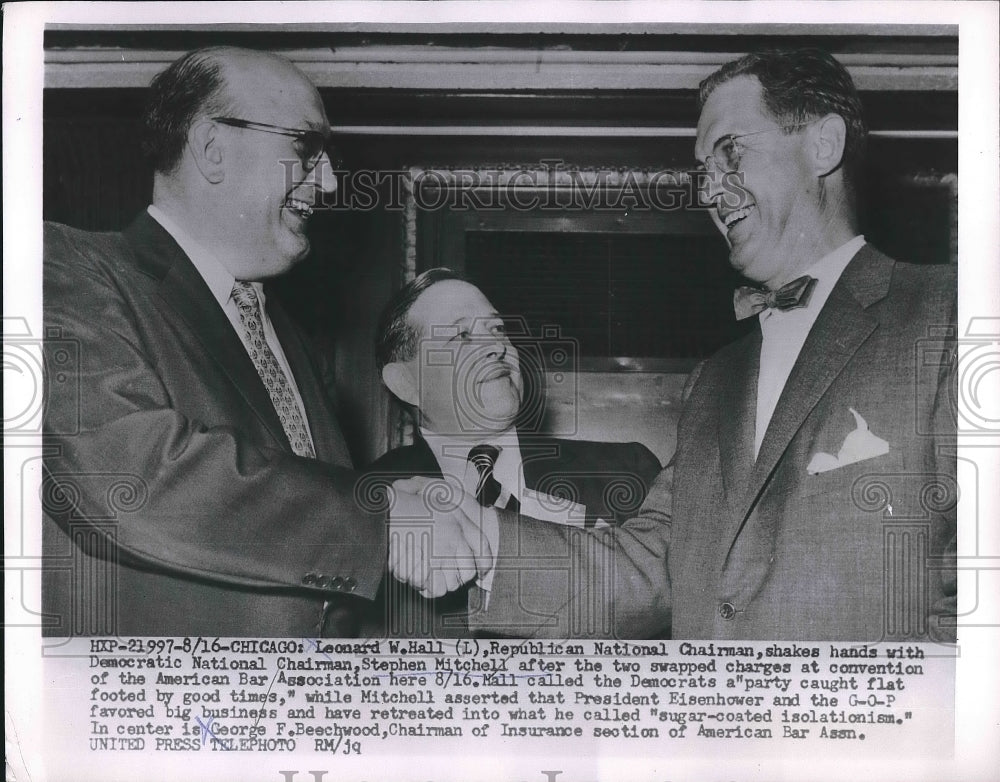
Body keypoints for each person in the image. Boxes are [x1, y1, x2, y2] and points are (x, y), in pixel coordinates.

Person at [390, 49, 957, 642]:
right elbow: (652, 569)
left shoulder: (949, 313)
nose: (711, 190)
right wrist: (481, 540)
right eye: (702, 171)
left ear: (824, 145)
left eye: (730, 152)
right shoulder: (717, 378)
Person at [42, 47, 387, 637]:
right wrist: (388, 521)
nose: (329, 181)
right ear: (211, 149)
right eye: (306, 149)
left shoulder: (296, 345)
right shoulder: (69, 269)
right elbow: (130, 481)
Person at [369, 268, 661, 637]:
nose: (496, 346)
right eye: (461, 335)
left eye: (497, 329)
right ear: (406, 382)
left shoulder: (626, 471)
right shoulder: (366, 501)